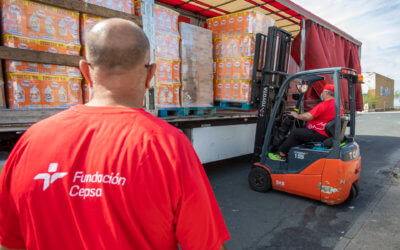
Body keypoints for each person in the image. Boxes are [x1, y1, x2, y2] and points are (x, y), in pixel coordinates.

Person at [0, 18, 230, 250]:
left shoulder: (30, 141)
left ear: (85, 71)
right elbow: (206, 245)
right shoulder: (170, 146)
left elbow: (9, 242)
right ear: (151, 74)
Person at [269, 84, 343, 161]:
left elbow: (309, 116)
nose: (322, 94)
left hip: (320, 133)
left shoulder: (325, 104)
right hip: (325, 132)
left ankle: (281, 155)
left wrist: (297, 116)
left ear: (327, 93)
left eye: (323, 92)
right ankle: (291, 154)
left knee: (296, 133)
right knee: (301, 131)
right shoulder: (336, 104)